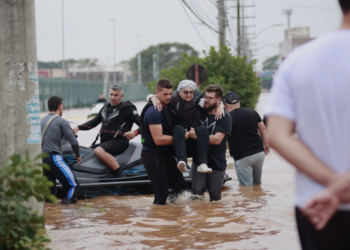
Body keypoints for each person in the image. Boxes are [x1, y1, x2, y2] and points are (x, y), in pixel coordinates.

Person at [265, 1, 350, 248]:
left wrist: (333, 184)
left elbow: (277, 136)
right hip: (325, 199)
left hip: (314, 205)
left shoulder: (297, 60)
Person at [149, 79, 225, 173]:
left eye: (191, 92)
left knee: (203, 129)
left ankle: (202, 163)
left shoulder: (199, 100)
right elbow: (156, 96)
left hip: (193, 139)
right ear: (179, 92)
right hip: (178, 138)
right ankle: (182, 161)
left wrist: (221, 106)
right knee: (178, 128)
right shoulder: (171, 99)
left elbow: (212, 101)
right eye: (185, 92)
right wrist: (153, 98)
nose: (189, 95)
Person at [72, 84, 141, 178]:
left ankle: (120, 175)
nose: (113, 97)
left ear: (121, 96)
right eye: (111, 94)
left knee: (98, 151)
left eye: (116, 95)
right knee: (85, 152)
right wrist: (78, 128)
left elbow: (145, 125)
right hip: (105, 144)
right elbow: (93, 122)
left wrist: (135, 132)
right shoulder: (106, 107)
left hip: (120, 142)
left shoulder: (128, 109)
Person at [140, 79, 188, 205]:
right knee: (161, 194)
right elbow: (158, 140)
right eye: (165, 94)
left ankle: (173, 217)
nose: (168, 97)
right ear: (157, 93)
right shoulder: (153, 112)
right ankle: (158, 221)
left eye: (170, 94)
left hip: (165, 154)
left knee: (181, 186)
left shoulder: (166, 106)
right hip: (152, 154)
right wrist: (183, 138)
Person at [189, 85, 232, 201]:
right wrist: (154, 98)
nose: (206, 100)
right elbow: (181, 96)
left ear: (218, 100)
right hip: (198, 160)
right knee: (196, 195)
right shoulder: (199, 111)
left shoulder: (224, 116)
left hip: (217, 161)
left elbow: (217, 139)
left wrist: (197, 137)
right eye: (205, 96)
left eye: (210, 98)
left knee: (215, 197)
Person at [41, 96, 81, 204]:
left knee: (49, 191)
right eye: (62, 106)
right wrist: (78, 155)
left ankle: (51, 216)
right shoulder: (61, 121)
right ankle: (66, 214)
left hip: (41, 160)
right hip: (54, 158)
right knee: (73, 185)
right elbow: (74, 142)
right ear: (60, 106)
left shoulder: (41, 121)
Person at [224, 91, 269, 186]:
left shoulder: (227, 118)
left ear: (226, 105)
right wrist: (266, 145)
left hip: (243, 157)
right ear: (239, 103)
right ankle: (259, 199)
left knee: (246, 189)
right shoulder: (252, 112)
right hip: (259, 153)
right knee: (257, 185)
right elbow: (263, 128)